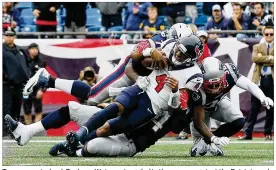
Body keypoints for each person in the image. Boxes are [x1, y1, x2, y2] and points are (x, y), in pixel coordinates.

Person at [5, 34, 202, 149]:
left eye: (181, 53)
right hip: (132, 93)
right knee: (86, 101)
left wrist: (175, 94)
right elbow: (134, 62)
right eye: (176, 47)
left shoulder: (189, 80)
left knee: (94, 105)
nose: (175, 54)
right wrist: (150, 54)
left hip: (131, 131)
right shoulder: (163, 46)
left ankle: (71, 143)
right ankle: (29, 129)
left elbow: (178, 113)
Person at [22, 23, 193, 107]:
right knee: (92, 96)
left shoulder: (181, 52)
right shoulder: (159, 41)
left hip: (146, 79)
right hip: (129, 70)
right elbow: (134, 54)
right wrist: (141, 74)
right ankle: (49, 79)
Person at [188, 57, 273, 156]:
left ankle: (209, 142)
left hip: (218, 102)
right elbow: (198, 122)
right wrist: (213, 138)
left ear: (223, 76)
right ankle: (207, 141)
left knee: (239, 121)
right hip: (200, 110)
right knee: (199, 152)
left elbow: (249, 85)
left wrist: (262, 97)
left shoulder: (229, 73)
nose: (215, 89)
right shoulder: (195, 83)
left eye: (217, 84)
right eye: (211, 86)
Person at [240, 26, 274, 140]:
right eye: (267, 34)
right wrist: (270, 58)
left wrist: (262, 57)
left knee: (271, 108)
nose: (269, 36)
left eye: (271, 34)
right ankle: (248, 133)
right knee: (254, 107)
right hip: (259, 79)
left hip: (271, 79)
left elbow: (260, 58)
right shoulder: (257, 46)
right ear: (263, 35)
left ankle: (268, 133)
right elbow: (255, 58)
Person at [3, 27, 30, 136]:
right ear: (4, 36)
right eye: (7, 35)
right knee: (6, 108)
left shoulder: (20, 50)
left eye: (11, 35)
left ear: (14, 37)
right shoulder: (2, 50)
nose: (9, 37)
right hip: (6, 84)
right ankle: (5, 131)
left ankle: (14, 131)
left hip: (19, 84)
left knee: (17, 108)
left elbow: (27, 64)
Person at [22, 43, 46, 125]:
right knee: (27, 110)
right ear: (29, 50)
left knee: (38, 109)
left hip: (37, 88)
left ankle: (36, 130)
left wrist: (41, 89)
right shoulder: (24, 60)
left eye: (36, 49)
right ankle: (28, 129)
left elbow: (44, 77)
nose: (35, 51)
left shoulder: (41, 61)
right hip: (26, 88)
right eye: (33, 49)